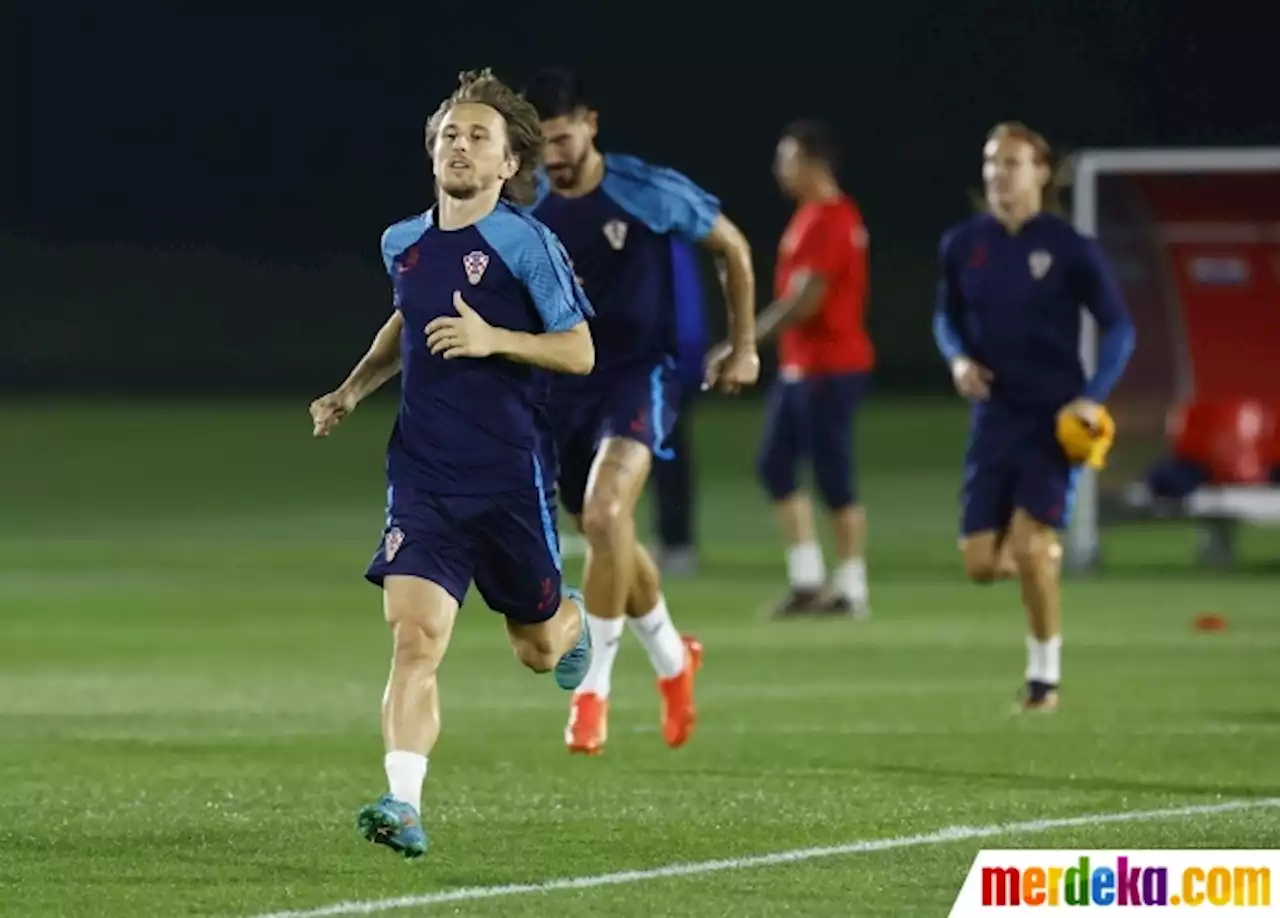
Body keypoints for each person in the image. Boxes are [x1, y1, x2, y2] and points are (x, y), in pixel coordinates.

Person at [308, 69, 596, 859]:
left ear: (508, 165)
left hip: (509, 478)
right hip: (425, 477)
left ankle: (572, 620)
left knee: (536, 650)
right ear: (431, 152)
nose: (459, 145)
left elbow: (579, 349)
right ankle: (403, 804)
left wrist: (493, 339)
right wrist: (352, 389)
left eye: (478, 136)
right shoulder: (403, 242)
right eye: (448, 135)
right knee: (415, 640)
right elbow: (406, 322)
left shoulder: (527, 243)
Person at [524, 66, 759, 756]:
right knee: (609, 535)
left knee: (603, 515)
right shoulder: (526, 198)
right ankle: (673, 659)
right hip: (559, 388)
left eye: (562, 139)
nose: (554, 157)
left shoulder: (645, 189)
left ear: (590, 124)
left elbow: (734, 247)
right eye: (540, 145)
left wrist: (742, 346)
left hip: (638, 378)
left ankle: (592, 690)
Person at [932, 121, 1135, 712]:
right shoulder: (962, 244)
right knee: (978, 563)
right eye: (992, 161)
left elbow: (1120, 325)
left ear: (1042, 172)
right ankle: (1040, 557)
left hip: (1052, 421)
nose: (999, 173)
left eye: (1014, 162)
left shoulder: (1070, 247)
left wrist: (1092, 395)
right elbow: (944, 318)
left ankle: (1043, 679)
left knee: (1027, 545)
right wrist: (957, 360)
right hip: (993, 419)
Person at [708, 120, 874, 618]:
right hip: (804, 367)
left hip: (833, 366)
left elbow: (805, 300)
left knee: (833, 475)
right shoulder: (812, 217)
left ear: (812, 163)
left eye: (787, 158)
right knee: (775, 465)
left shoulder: (831, 218)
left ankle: (850, 586)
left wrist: (743, 341)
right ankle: (807, 579)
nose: (780, 169)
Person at [649, 238, 707, 576]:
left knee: (668, 455)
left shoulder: (664, 241)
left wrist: (685, 364)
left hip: (665, 363)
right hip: (663, 361)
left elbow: (686, 312)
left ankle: (677, 544)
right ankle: (672, 541)